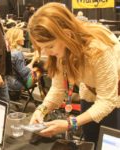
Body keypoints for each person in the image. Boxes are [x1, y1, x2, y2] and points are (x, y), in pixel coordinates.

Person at [27, 2, 120, 146]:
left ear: (67, 35)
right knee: (91, 141)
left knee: (109, 143)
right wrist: (41, 110)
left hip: (114, 97)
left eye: (50, 46)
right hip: (89, 92)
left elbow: (107, 101)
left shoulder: (98, 48)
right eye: (42, 48)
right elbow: (58, 89)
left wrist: (71, 123)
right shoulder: (61, 50)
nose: (46, 53)